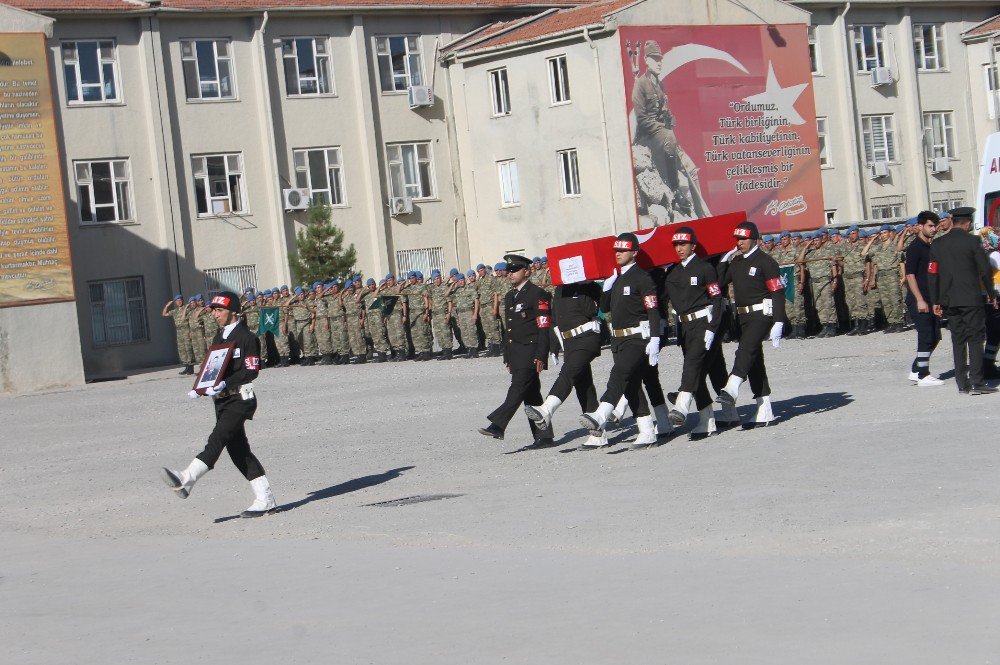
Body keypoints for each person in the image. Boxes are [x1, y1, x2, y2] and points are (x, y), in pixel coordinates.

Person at [160, 291, 277, 518]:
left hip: (240, 399)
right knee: (239, 451)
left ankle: (187, 479)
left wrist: (225, 383)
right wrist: (201, 387)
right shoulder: (220, 337)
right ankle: (266, 499)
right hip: (222, 401)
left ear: (234, 312)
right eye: (214, 310)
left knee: (218, 438)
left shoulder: (247, 337)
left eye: (220, 310)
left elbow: (251, 371)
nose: (215, 315)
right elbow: (213, 367)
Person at [579, 232, 662, 449]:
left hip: (637, 338)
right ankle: (647, 431)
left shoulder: (642, 278)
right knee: (632, 386)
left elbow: (653, 309)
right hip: (619, 340)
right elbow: (605, 308)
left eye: (623, 250)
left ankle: (601, 415)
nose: (618, 254)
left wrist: (655, 338)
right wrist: (606, 287)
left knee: (618, 375)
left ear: (634, 252)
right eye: (616, 250)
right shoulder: (618, 278)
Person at [716, 221, 786, 428]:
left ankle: (732, 387)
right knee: (754, 361)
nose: (739, 243)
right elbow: (720, 283)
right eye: (737, 239)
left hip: (762, 315)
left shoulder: (766, 262)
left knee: (744, 349)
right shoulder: (736, 263)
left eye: (743, 239)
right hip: (743, 317)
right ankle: (765, 410)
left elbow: (777, 292)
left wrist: (779, 322)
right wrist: (723, 261)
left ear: (754, 239)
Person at [479, 254, 554, 445]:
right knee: (531, 395)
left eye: (515, 270)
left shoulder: (538, 294)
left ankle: (498, 425)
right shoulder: (510, 295)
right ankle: (544, 436)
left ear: (527, 271)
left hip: (531, 352)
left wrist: (541, 355)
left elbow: (544, 327)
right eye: (509, 270)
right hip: (516, 353)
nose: (510, 274)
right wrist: (507, 355)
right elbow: (509, 328)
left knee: (517, 388)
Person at [524, 278, 607, 448]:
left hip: (587, 338)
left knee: (568, 373)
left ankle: (546, 410)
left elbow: (592, 309)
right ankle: (598, 434)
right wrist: (554, 347)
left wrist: (585, 286)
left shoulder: (590, 287)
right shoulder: (560, 289)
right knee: (584, 385)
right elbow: (555, 319)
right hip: (570, 343)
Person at [662, 226, 725, 439]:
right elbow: (661, 296)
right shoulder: (672, 272)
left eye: (683, 244)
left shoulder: (705, 268)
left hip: (703, 324)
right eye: (676, 245)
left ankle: (681, 405)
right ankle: (707, 420)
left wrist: (712, 328)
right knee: (697, 371)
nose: (679, 249)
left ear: (693, 246)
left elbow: (717, 299)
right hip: (685, 328)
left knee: (692, 364)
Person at [928, 207, 998, 394]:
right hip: (971, 299)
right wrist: (991, 294)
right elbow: (984, 270)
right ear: (967, 223)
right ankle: (978, 382)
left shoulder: (938, 244)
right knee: (975, 340)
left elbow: (933, 274)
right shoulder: (973, 241)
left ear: (953, 221)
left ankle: (962, 384)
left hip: (948, 300)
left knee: (958, 340)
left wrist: (935, 300)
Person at [904, 212, 944, 386]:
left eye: (935, 226)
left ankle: (916, 369)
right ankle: (923, 375)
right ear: (920, 226)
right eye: (930, 226)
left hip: (931, 298)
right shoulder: (915, 247)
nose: (933, 229)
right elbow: (910, 275)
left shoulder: (930, 246)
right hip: (918, 299)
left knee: (935, 336)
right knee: (926, 335)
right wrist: (919, 299)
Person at [162, 294, 196, 375]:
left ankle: (191, 368)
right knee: (182, 350)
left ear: (182, 301)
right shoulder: (174, 311)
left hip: (186, 330)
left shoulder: (187, 308)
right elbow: (164, 314)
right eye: (177, 301)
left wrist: (191, 331)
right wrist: (167, 305)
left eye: (180, 300)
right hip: (179, 332)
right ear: (175, 302)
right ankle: (186, 367)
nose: (179, 302)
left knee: (188, 349)